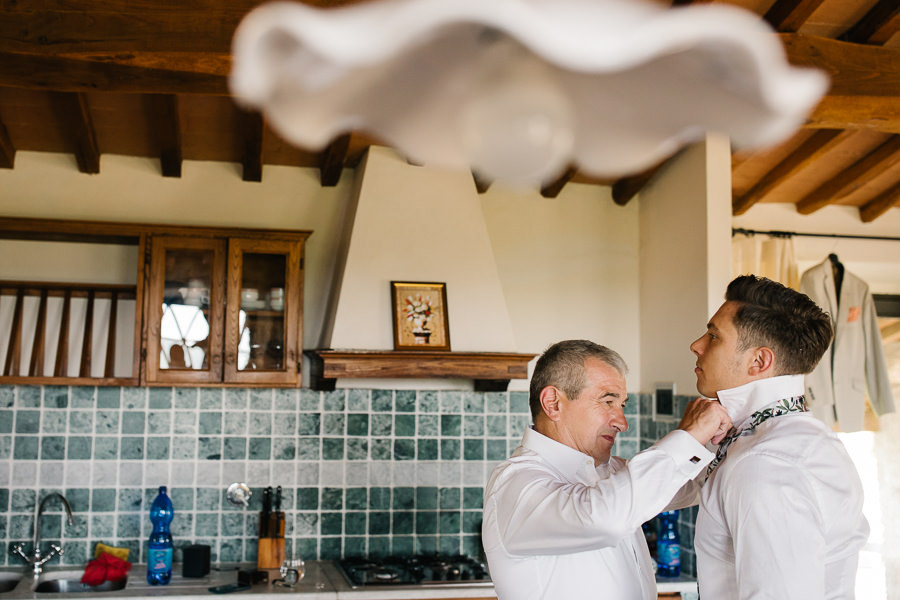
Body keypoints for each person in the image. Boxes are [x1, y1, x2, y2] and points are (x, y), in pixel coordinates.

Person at [482, 339, 732, 600]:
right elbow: (603, 518)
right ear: (553, 403)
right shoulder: (514, 484)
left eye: (621, 405)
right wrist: (689, 436)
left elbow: (696, 483)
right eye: (607, 401)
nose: (622, 423)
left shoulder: (610, 472)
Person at [691, 274, 870, 599]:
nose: (696, 345)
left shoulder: (765, 464)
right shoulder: (794, 439)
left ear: (759, 361)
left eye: (713, 336)